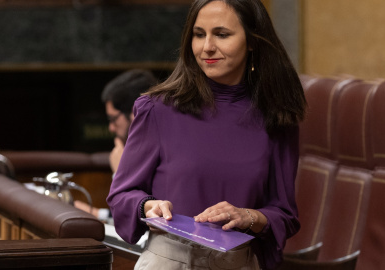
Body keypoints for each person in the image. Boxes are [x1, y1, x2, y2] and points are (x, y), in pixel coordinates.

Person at [107, 0, 306, 269]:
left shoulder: (277, 116)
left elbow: (284, 214)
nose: (207, 47)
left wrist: (247, 216)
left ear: (252, 41)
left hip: (238, 262)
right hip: (168, 259)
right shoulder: (157, 109)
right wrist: (147, 207)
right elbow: (122, 195)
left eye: (221, 34)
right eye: (199, 34)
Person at [75, 69, 157, 221]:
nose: (111, 128)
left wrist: (121, 172)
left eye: (113, 119)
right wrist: (97, 214)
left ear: (135, 113)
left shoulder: (156, 151)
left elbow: (144, 226)